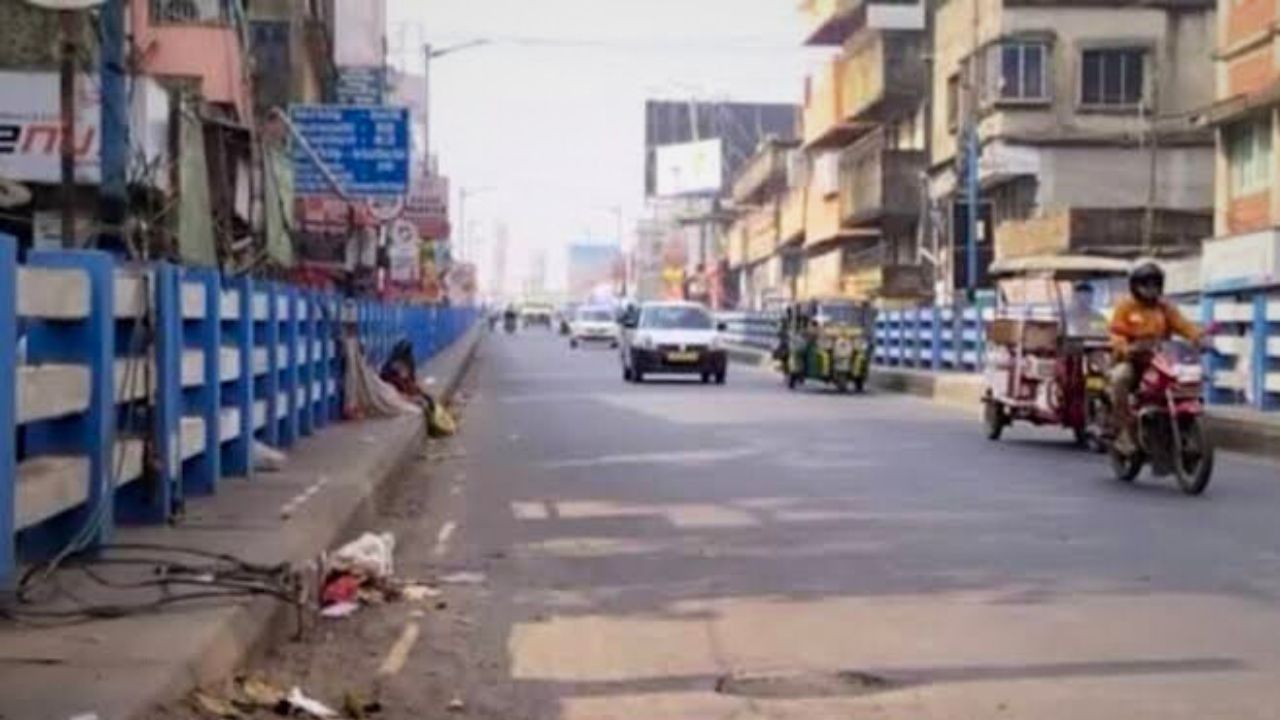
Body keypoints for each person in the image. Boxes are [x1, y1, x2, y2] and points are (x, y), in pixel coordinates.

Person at [1108, 262, 1204, 453]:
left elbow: (1184, 326)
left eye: (1155, 284)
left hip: (1161, 360)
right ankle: (1123, 432)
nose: (1150, 290)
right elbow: (1115, 333)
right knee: (1120, 378)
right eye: (1146, 284)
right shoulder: (1126, 307)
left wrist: (1200, 338)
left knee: (1181, 381)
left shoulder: (1165, 308)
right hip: (1133, 361)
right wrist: (1125, 347)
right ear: (1135, 286)